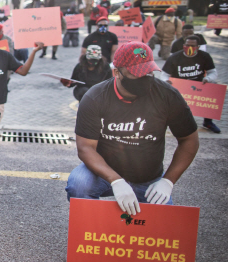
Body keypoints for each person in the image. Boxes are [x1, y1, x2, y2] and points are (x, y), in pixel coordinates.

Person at [65, 42, 200, 216]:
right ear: (117, 73)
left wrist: (168, 181)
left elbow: (189, 139)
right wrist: (115, 180)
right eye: (137, 73)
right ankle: (95, 231)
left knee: (164, 226)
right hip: (105, 172)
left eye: (148, 71)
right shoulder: (95, 97)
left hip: (148, 177)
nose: (145, 77)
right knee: (79, 184)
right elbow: (85, 148)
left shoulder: (168, 96)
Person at [162, 35, 220, 134]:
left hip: (198, 86)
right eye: (187, 45)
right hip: (180, 87)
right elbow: (164, 74)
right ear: (184, 45)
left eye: (192, 46)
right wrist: (166, 81)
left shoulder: (204, 56)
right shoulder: (175, 57)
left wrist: (208, 79)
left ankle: (208, 122)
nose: (189, 48)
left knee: (211, 90)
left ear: (198, 47)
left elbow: (213, 72)